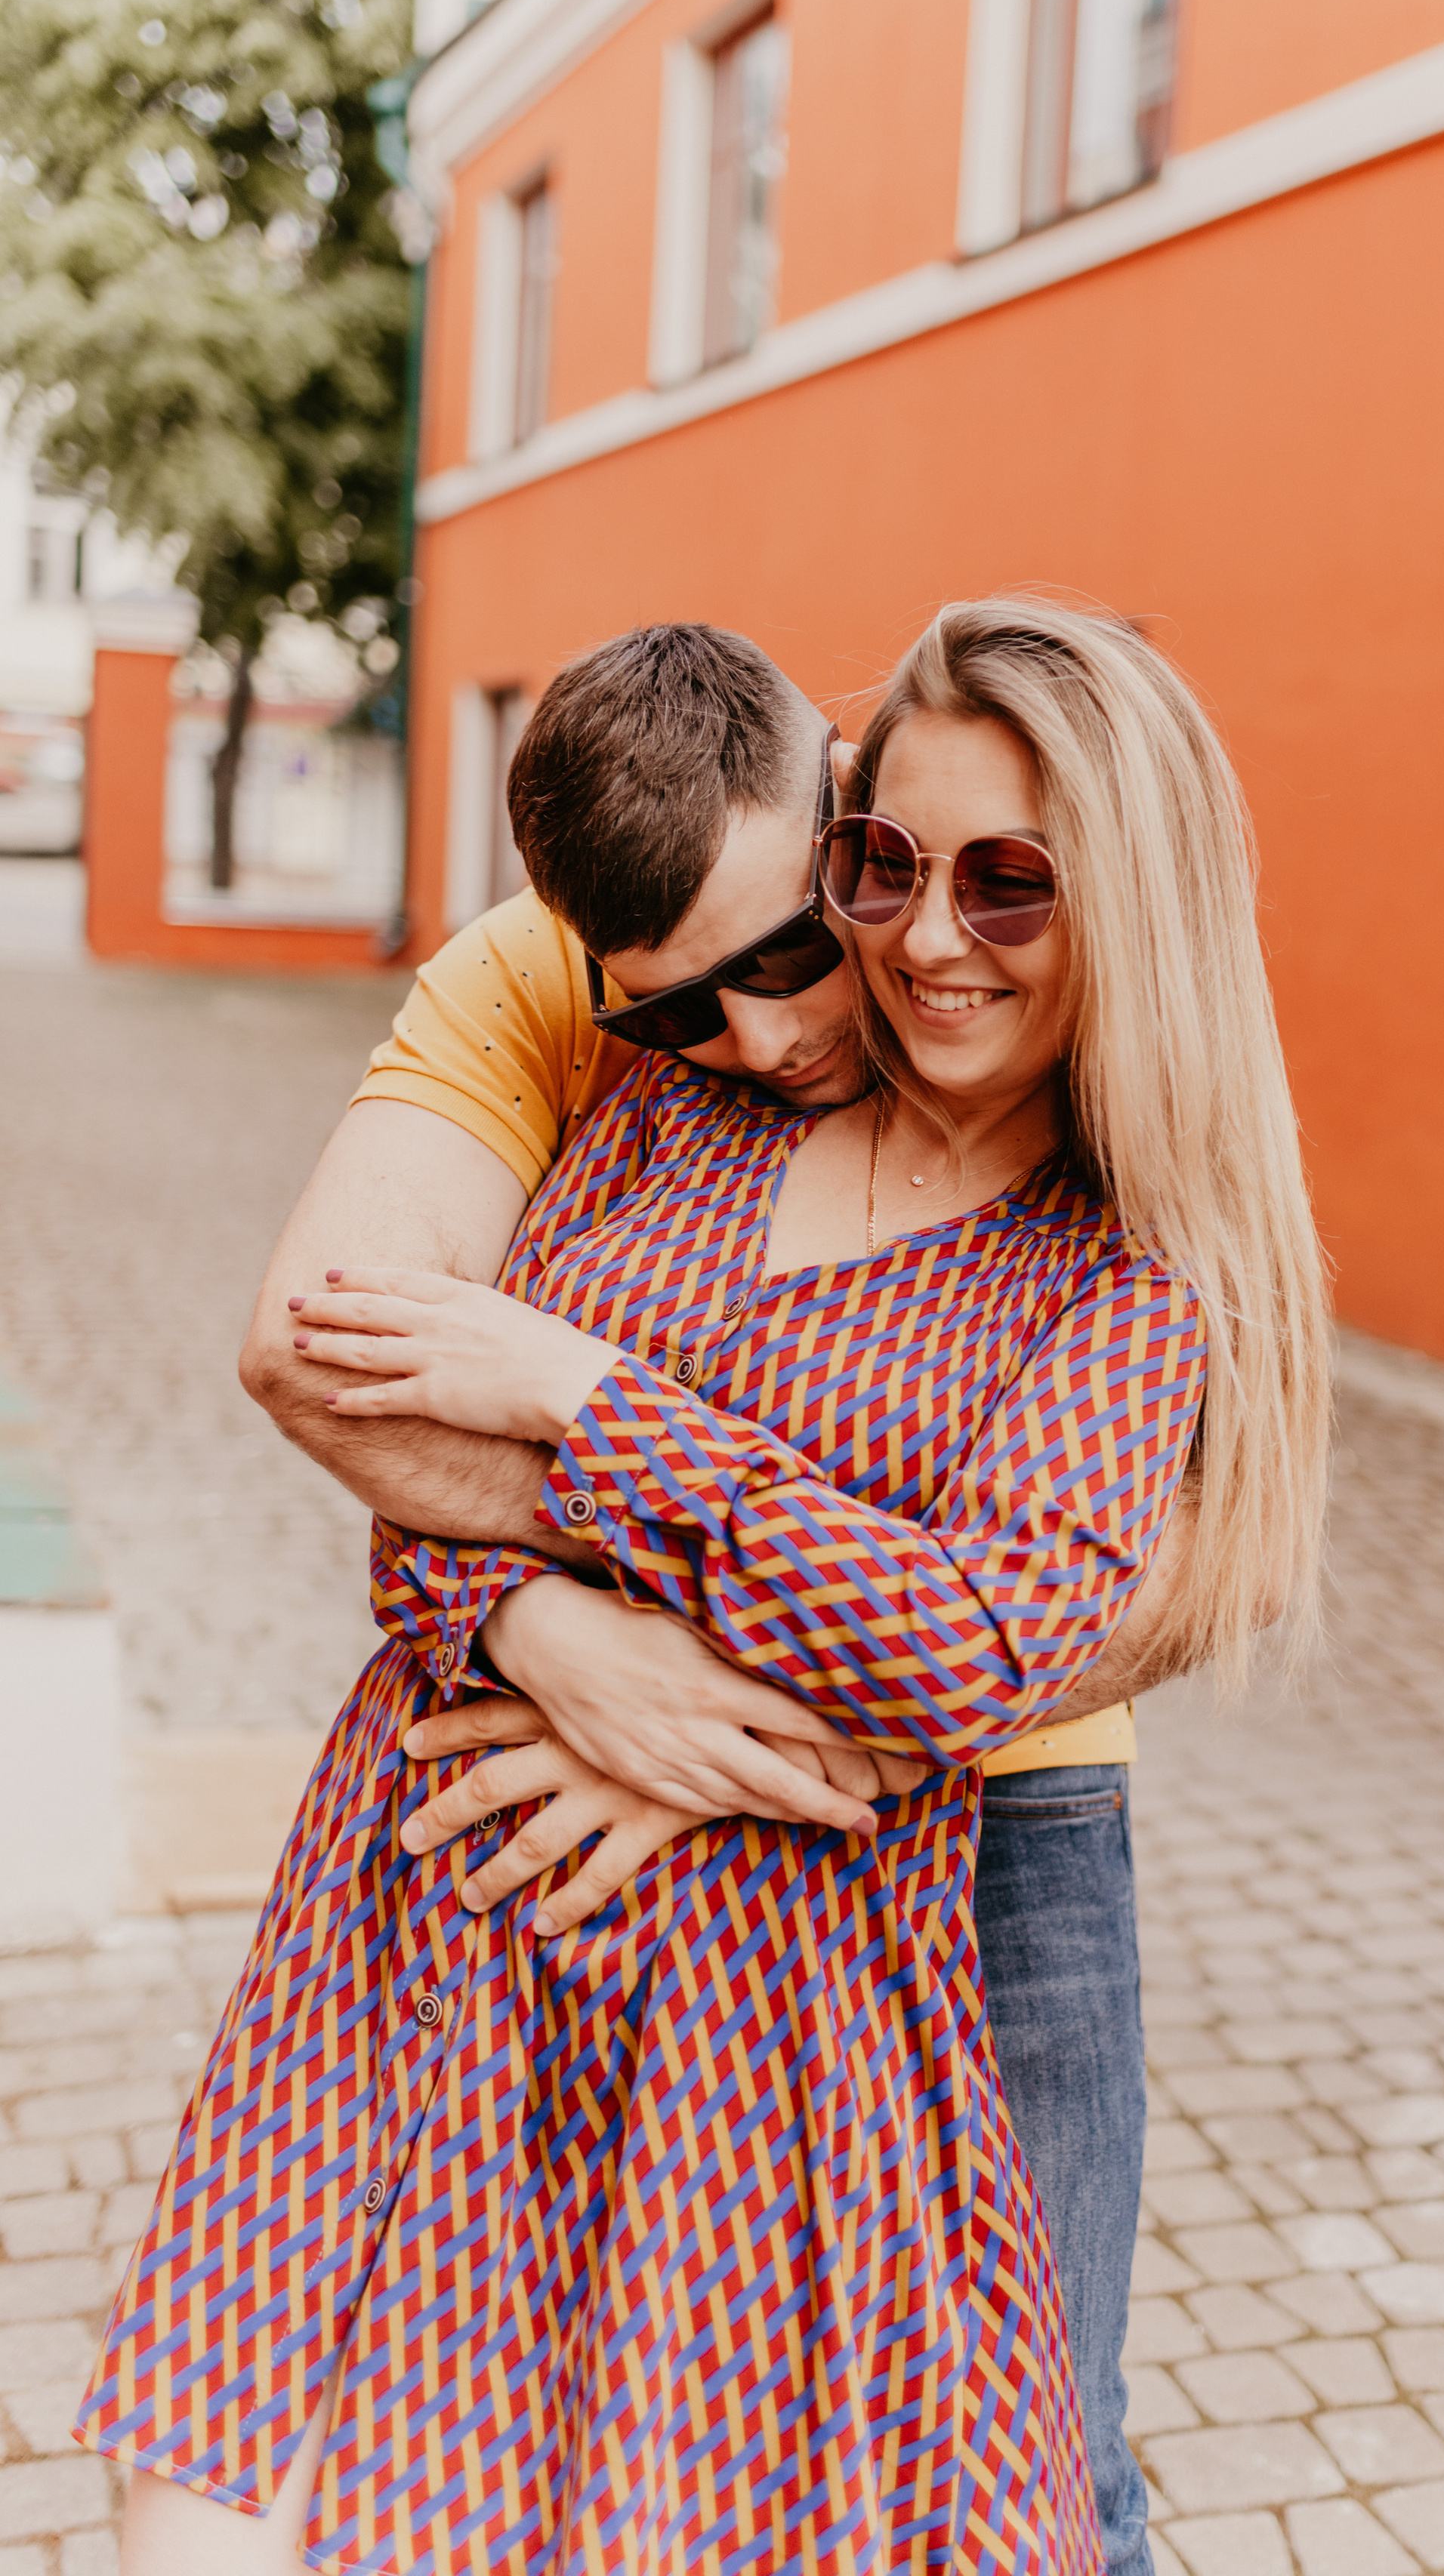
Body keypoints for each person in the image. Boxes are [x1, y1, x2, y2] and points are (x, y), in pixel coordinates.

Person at [84, 600, 1330, 2574]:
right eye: (675, 1002)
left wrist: (746, 1719)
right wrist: (532, 1626)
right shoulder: (616, 998)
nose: (765, 1020)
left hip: (973, 1844)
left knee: (1030, 2470)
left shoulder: (1103, 1131)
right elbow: (336, 1367)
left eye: (783, 954)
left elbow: (1181, 1556)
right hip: (500, 1831)